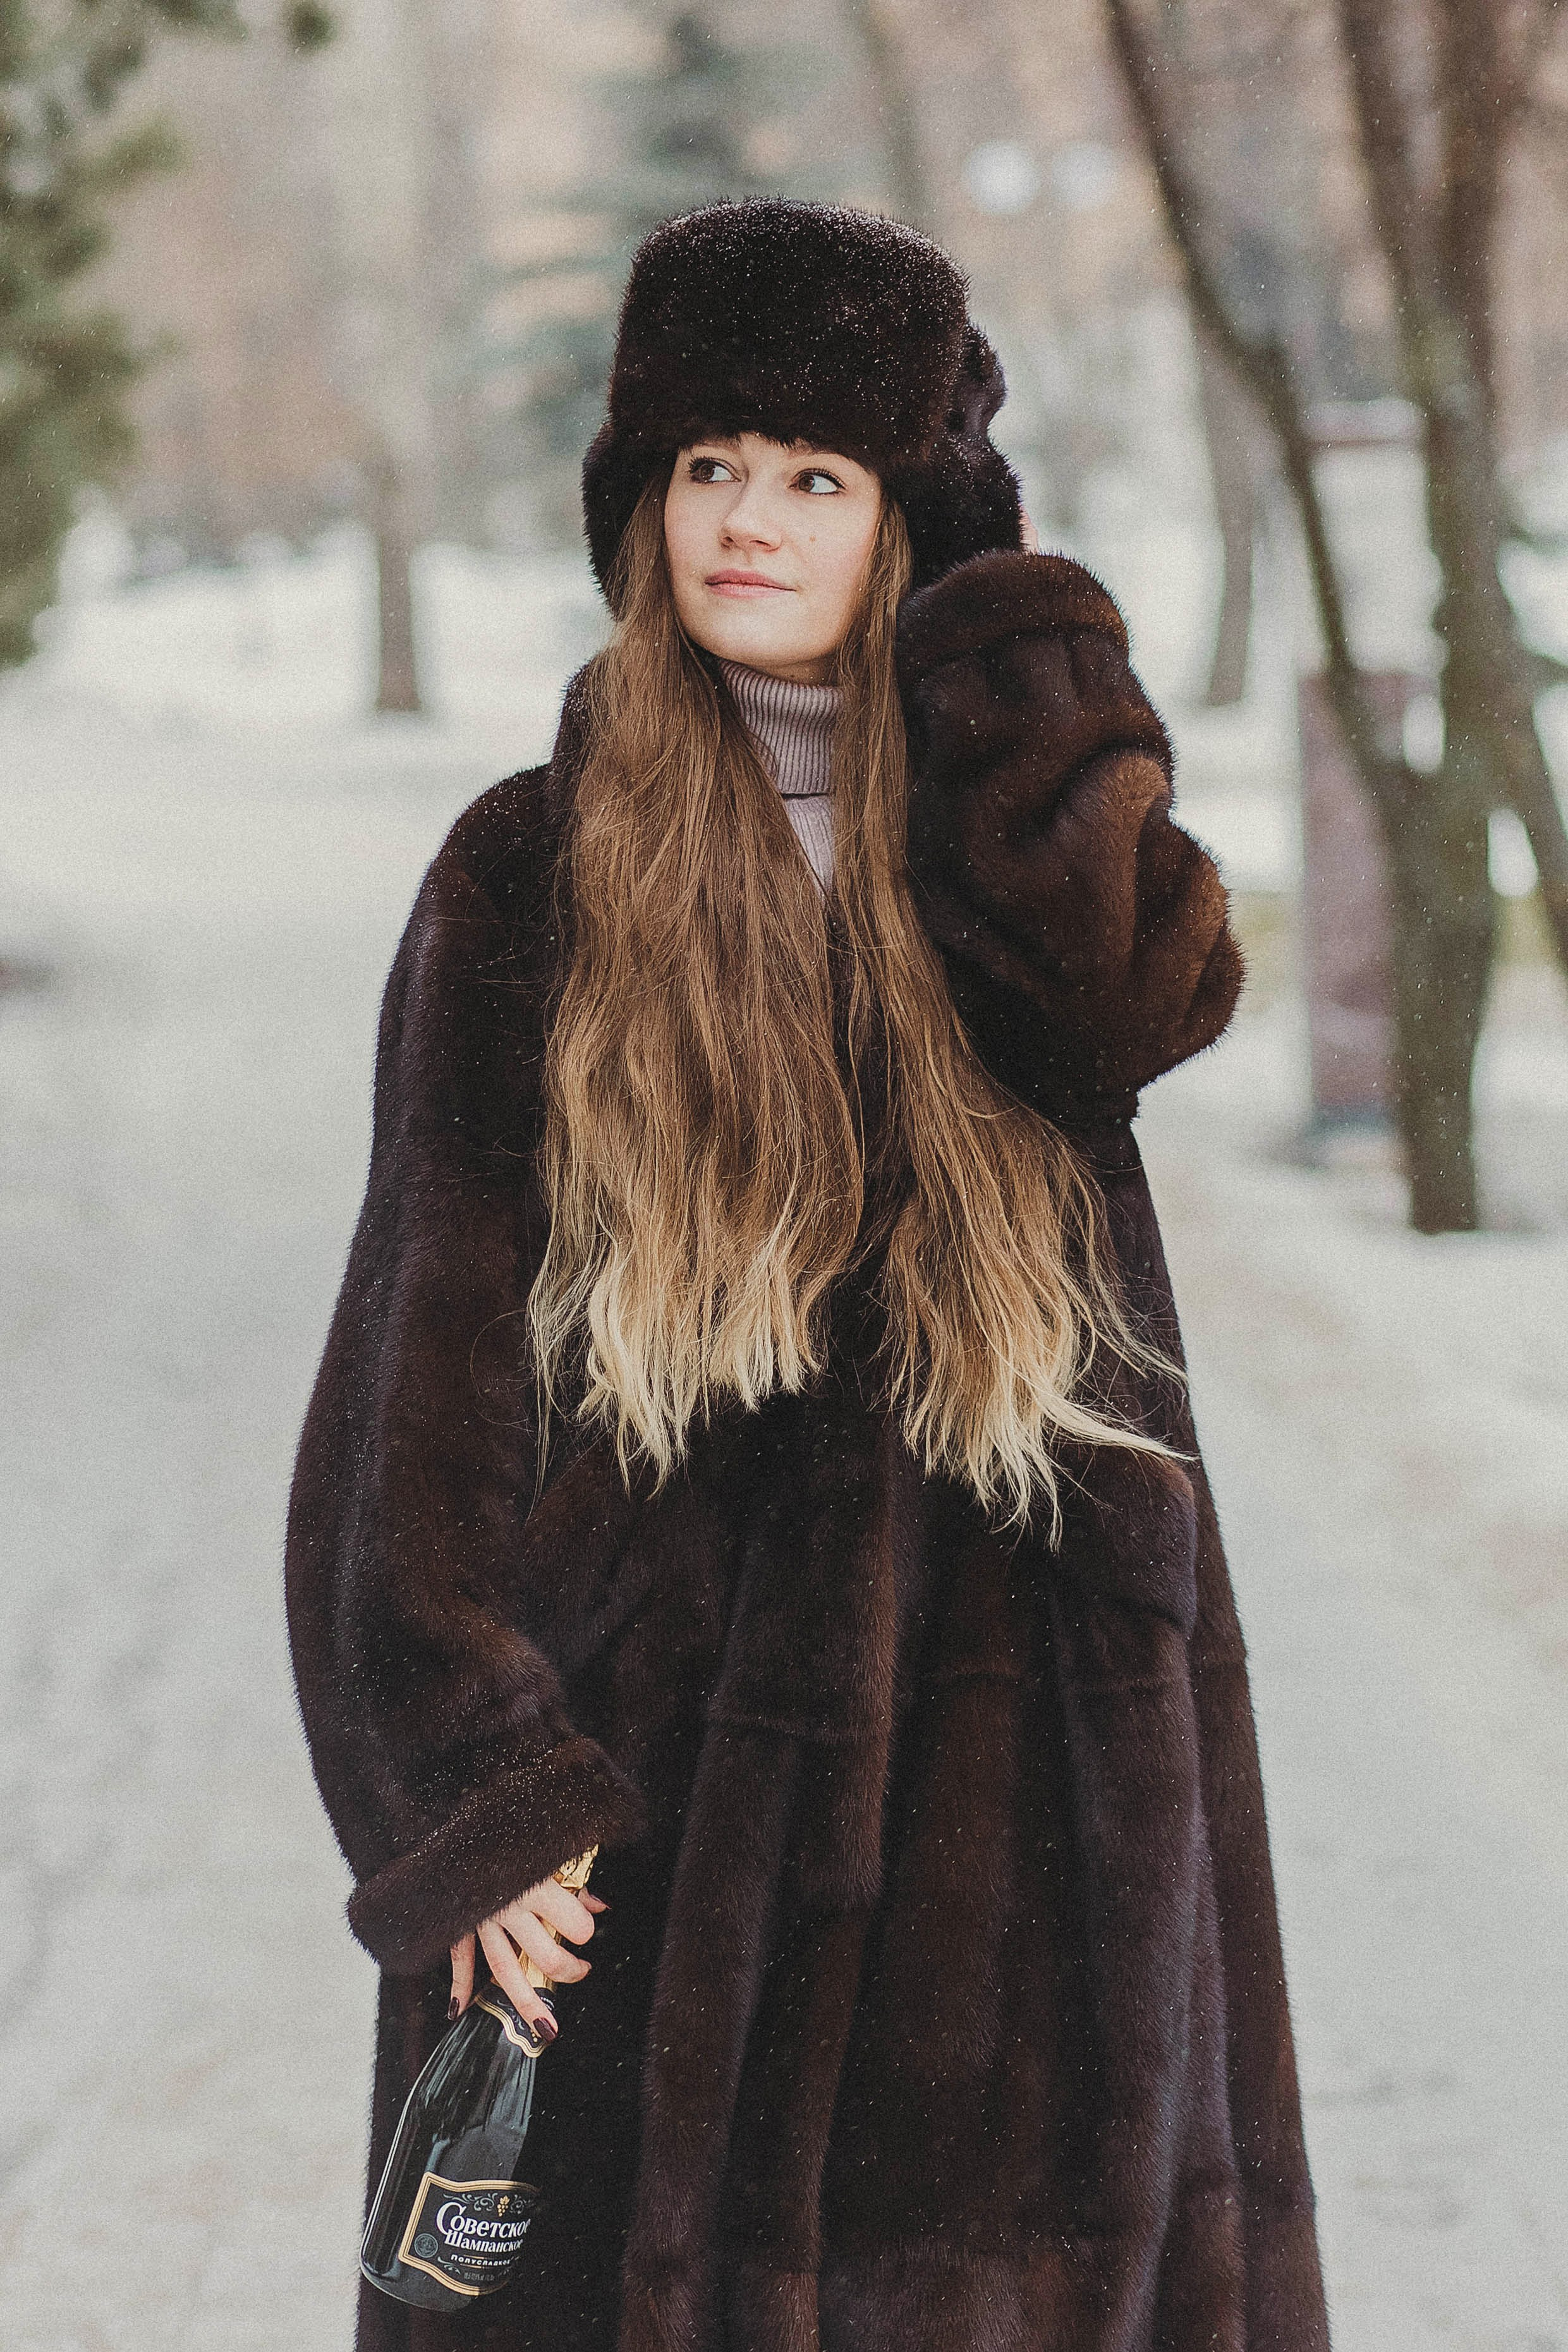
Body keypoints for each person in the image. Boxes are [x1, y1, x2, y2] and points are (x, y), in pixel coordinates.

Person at [287, 199, 1330, 2352]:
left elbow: (1150, 988)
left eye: (817, 475)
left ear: (908, 516)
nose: (745, 520)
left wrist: (1009, 629)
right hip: (650, 1851)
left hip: (1020, 1853)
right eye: (705, 467)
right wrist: (480, 1790)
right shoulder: (529, 869)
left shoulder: (1004, 860)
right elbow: (409, 1392)